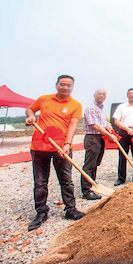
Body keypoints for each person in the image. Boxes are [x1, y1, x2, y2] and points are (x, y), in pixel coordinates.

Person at [25, 75, 85, 231]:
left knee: (66, 179)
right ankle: (41, 213)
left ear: (72, 87)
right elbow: (30, 108)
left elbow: (73, 125)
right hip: (39, 146)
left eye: (68, 85)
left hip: (61, 148)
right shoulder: (44, 99)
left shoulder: (76, 105)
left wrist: (67, 144)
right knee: (40, 182)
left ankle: (70, 210)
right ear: (57, 85)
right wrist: (31, 116)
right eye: (62, 84)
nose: (65, 87)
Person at [81, 89, 117, 200]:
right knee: (89, 164)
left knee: (96, 162)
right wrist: (109, 135)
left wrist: (108, 125)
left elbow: (103, 121)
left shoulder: (101, 108)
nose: (102, 96)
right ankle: (86, 190)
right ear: (94, 95)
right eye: (99, 94)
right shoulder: (91, 108)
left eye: (104, 94)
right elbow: (95, 125)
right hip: (93, 138)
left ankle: (92, 184)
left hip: (100, 137)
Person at [113, 88, 133, 185]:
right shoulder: (121, 107)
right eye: (130, 94)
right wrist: (127, 129)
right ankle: (121, 178)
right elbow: (116, 121)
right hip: (124, 131)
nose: (132, 95)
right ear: (127, 95)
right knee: (122, 155)